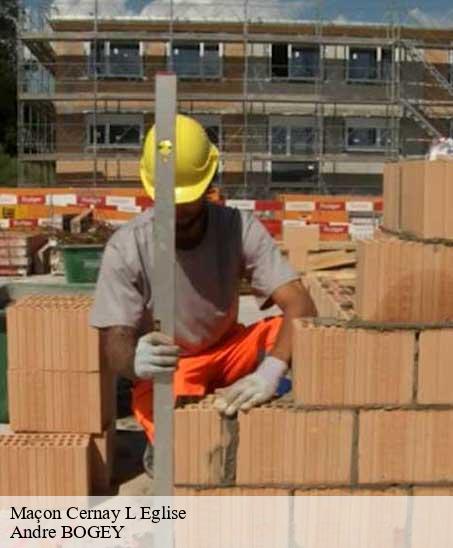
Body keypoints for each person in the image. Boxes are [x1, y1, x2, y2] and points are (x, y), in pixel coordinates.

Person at [90, 114, 315, 476]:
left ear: (209, 182)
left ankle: (278, 416)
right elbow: (114, 338)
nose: (178, 211)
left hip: (229, 352)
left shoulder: (238, 228)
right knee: (184, 452)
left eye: (188, 199)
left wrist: (272, 371)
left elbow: (300, 303)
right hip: (172, 366)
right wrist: (134, 361)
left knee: (297, 336)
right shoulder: (128, 246)